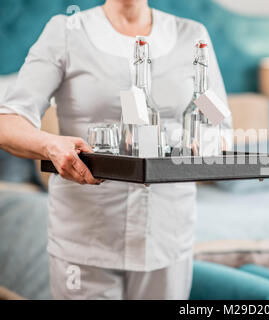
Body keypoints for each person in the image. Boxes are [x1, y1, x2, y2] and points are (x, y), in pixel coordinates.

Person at [0, 0, 231, 300]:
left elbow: (219, 124)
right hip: (88, 236)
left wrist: (200, 138)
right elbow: (8, 122)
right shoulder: (67, 33)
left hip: (167, 237)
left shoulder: (192, 37)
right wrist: (51, 145)